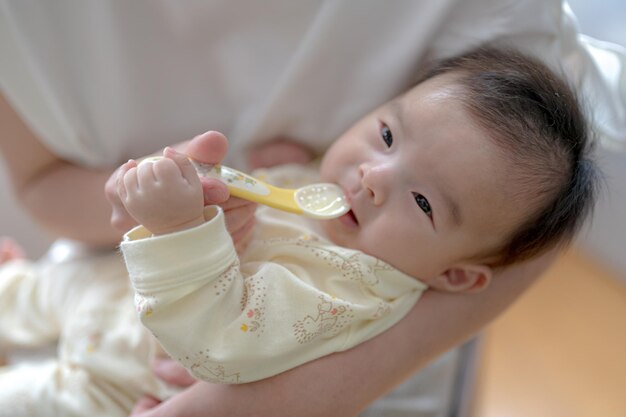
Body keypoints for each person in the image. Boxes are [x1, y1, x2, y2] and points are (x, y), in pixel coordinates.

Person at [0, 2, 623, 416]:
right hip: (99, 288)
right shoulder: (344, 202)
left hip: (116, 380)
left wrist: (180, 227)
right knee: (31, 292)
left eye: (425, 200)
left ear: (454, 276)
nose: (374, 178)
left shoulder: (351, 294)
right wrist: (281, 165)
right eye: (385, 134)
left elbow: (222, 340)